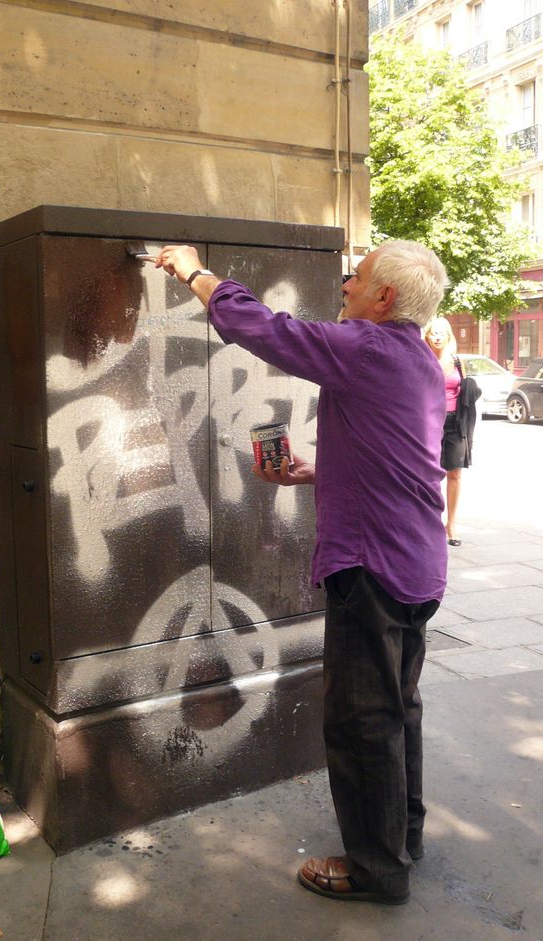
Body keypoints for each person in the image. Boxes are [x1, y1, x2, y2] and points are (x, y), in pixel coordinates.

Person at [155, 240, 448, 906]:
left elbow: (261, 328)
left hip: (372, 566)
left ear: (384, 299)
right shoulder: (419, 362)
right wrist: (321, 469)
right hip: (417, 561)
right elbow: (403, 457)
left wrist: (194, 270)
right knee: (398, 708)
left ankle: (376, 869)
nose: (346, 281)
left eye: (360, 275)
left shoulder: (365, 348)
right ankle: (402, 835)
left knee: (361, 719)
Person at [424, 316, 474, 547]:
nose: (437, 336)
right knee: (430, 475)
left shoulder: (457, 361)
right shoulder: (422, 359)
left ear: (448, 336)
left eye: (441, 333)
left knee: (455, 473)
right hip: (427, 422)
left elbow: (466, 393)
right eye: (433, 332)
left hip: (455, 423)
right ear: (427, 335)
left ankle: (451, 524)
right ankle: (431, 522)